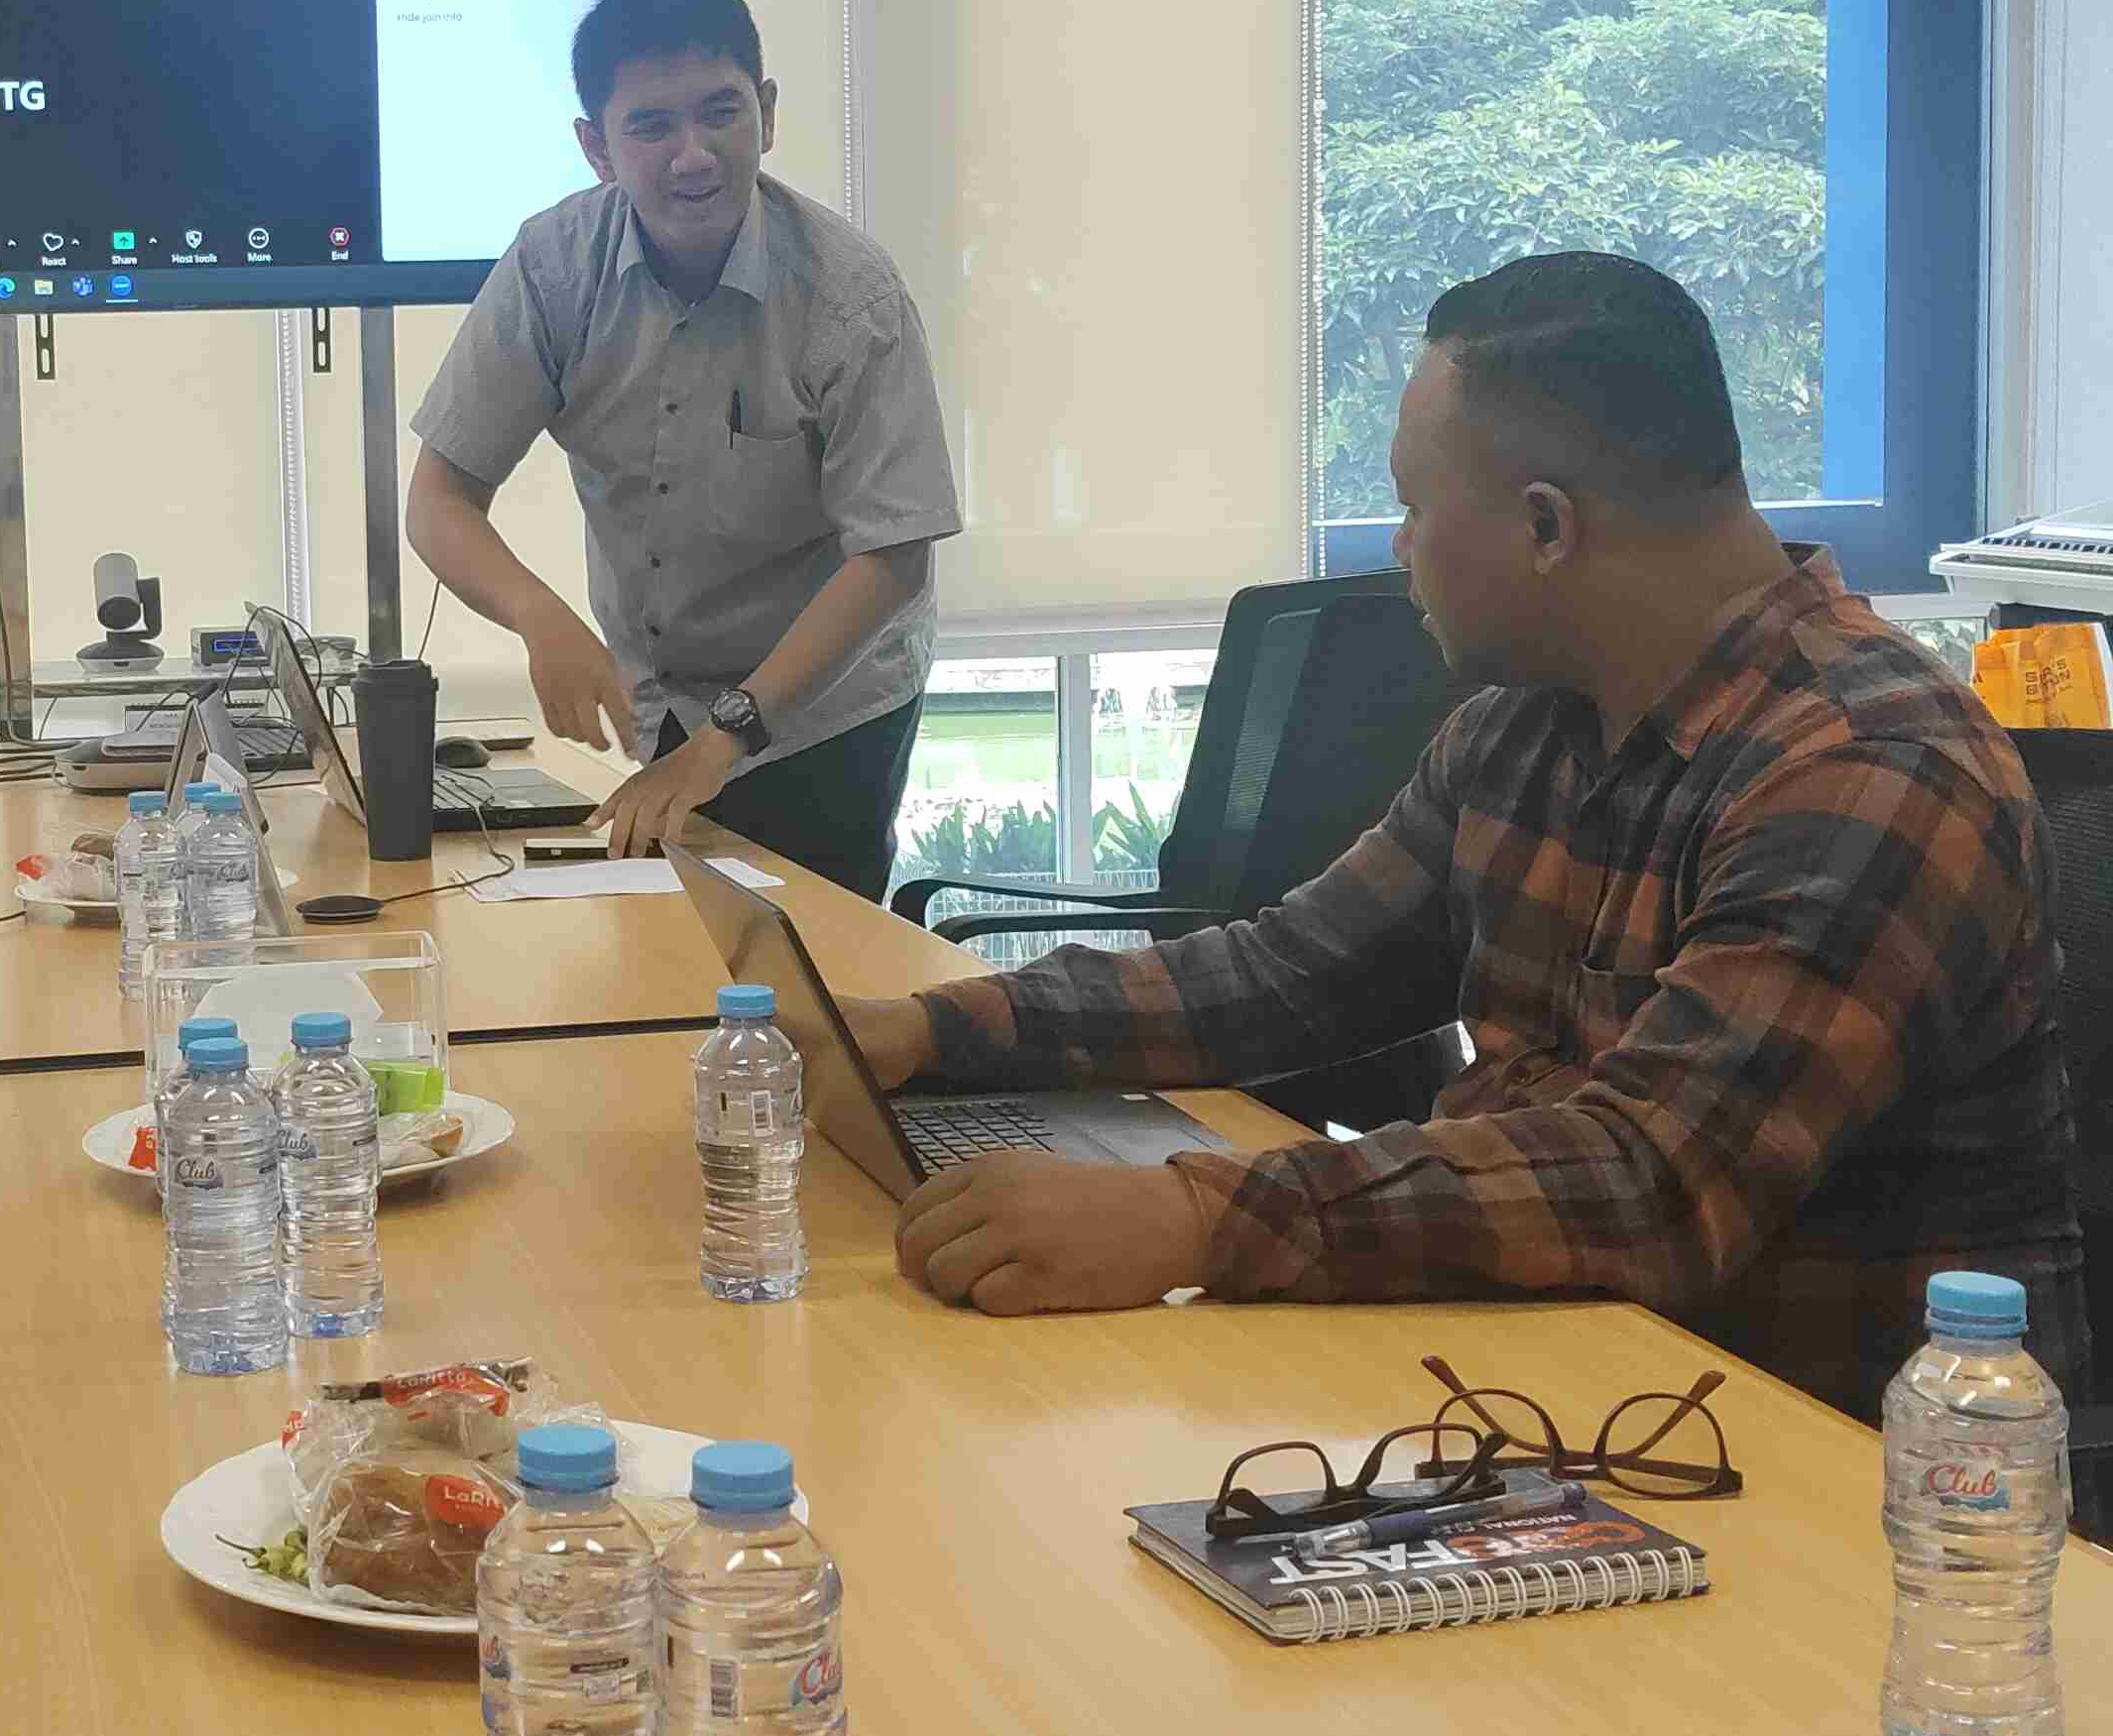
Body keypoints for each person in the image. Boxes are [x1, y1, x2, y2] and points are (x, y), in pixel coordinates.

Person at [841, 251, 2086, 1425]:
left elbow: (1652, 1180)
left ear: (1547, 528)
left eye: (1411, 508)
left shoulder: (1867, 766)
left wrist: (1189, 1220)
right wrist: (932, 1032)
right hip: (1552, 1390)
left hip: (1834, 1472)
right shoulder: (1525, 726)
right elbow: (1290, 976)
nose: (1398, 551)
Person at [404, 0, 958, 907]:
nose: (693, 156)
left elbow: (893, 554)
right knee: (658, 951)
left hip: (827, 710)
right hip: (661, 688)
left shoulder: (849, 297)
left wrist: (729, 736)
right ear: (597, 147)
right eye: (652, 126)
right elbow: (439, 499)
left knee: (807, 965)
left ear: (766, 115)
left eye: (720, 113)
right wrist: (539, 618)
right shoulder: (552, 268)